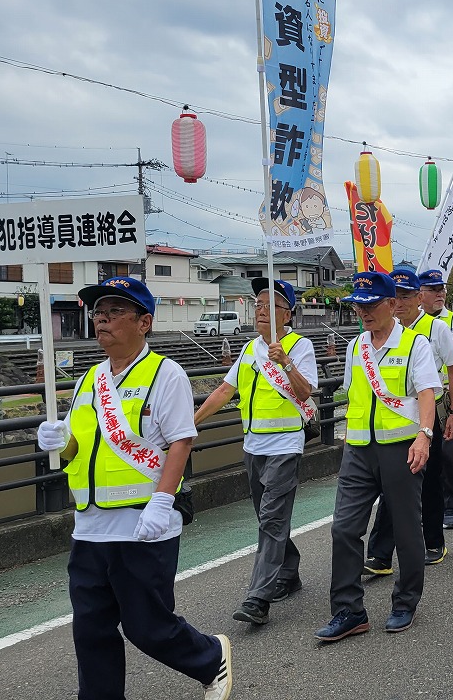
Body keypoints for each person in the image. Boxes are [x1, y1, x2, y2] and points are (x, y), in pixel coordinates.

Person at [35, 277, 232, 700]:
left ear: (144, 322)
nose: (102, 320)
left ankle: (209, 656)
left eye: (115, 312)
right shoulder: (89, 379)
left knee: (148, 627)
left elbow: (181, 440)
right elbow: (79, 447)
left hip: (143, 520)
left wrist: (163, 502)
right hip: (90, 524)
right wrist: (58, 440)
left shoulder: (166, 374)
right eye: (98, 313)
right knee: (90, 628)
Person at [314, 272, 440, 642]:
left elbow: (428, 393)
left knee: (404, 529)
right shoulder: (356, 347)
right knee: (343, 528)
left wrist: (425, 435)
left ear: (391, 305)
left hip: (401, 449)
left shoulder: (415, 344)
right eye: (358, 305)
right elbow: (353, 396)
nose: (363, 311)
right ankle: (349, 611)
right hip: (358, 450)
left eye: (370, 304)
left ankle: (405, 602)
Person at [195, 279, 318, 626]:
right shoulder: (250, 350)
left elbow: (306, 393)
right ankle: (289, 571)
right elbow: (223, 390)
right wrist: (193, 424)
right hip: (253, 445)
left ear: (287, 313)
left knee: (272, 520)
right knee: (269, 520)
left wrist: (286, 364)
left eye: (270, 306)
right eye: (258, 305)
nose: (261, 311)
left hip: (285, 445)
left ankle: (257, 599)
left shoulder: (299, 346)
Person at [362, 268, 453, 573]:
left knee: (429, 480)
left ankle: (433, 541)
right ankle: (381, 554)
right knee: (389, 486)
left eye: (406, 295)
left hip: (426, 416)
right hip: (389, 421)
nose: (400, 301)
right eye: (395, 295)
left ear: (419, 297)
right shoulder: (376, 333)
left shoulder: (436, 329)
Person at [417, 269, 453, 532]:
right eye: (433, 290)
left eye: (442, 289)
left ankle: (449, 505)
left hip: (445, 397)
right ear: (420, 295)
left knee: (445, 455)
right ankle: (423, 506)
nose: (440, 294)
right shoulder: (406, 322)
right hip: (413, 401)